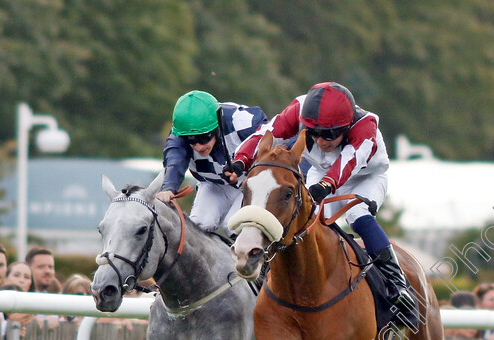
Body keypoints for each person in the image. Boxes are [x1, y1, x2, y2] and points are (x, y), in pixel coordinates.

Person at [229, 81, 415, 322]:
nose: (320, 141)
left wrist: (326, 185)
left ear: (346, 127)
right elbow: (266, 134)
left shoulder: (365, 125)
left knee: (357, 216)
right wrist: (240, 160)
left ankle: (397, 283)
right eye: (314, 133)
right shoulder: (299, 109)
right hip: (320, 173)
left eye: (329, 134)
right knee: (304, 219)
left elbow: (348, 162)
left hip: (364, 177)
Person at [154, 90, 267, 236]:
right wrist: (169, 188)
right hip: (214, 184)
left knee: (233, 225)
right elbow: (174, 163)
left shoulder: (244, 123)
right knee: (197, 228)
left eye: (203, 137)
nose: (199, 147)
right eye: (191, 140)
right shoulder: (180, 133)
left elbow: (278, 145)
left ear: (218, 126)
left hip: (252, 182)